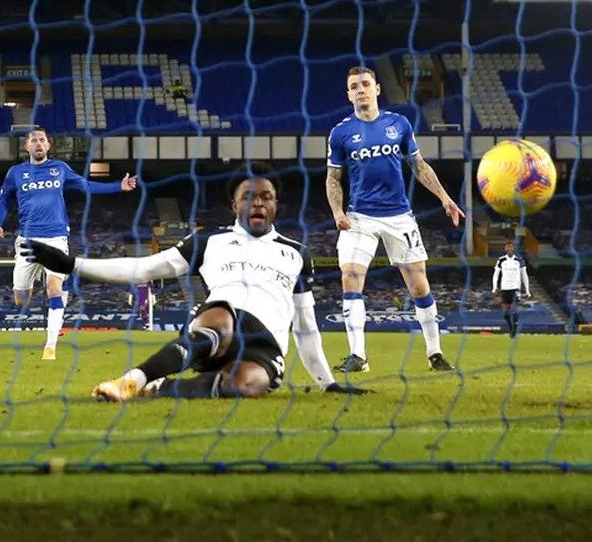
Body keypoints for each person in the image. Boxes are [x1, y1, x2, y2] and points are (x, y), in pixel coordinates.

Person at [19, 164, 370, 401]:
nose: (258, 202)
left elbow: (306, 329)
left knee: (245, 386)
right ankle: (132, 381)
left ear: (276, 205)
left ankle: (162, 387)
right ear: (235, 204)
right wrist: (73, 264)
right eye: (249, 196)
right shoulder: (209, 241)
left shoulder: (297, 254)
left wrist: (329, 384)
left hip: (266, 348)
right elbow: (143, 269)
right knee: (221, 317)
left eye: (266, 196)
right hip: (219, 326)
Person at [325, 66, 464, 373]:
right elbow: (333, 178)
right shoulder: (341, 132)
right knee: (350, 277)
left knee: (418, 287)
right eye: (353, 86)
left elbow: (419, 166)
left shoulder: (398, 124)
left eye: (365, 84)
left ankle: (434, 353)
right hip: (359, 217)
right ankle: (358, 356)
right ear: (348, 94)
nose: (360, 89)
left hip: (399, 217)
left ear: (377, 89)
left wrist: (445, 198)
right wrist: (338, 212)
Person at [0, 127, 137, 360]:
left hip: (56, 237)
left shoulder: (59, 168)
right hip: (27, 241)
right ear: (27, 146)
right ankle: (46, 284)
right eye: (34, 141)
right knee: (21, 301)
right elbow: (3, 200)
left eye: (42, 140)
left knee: (53, 288)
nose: (38, 143)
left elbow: (85, 185)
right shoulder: (15, 173)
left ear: (49, 145)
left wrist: (117, 186)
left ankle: (50, 347)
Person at [492, 242, 530, 337]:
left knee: (515, 309)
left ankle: (514, 329)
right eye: (508, 247)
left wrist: (527, 290)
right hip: (505, 287)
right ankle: (510, 327)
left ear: (514, 249)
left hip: (515, 288)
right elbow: (496, 274)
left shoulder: (519, 260)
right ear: (505, 249)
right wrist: (494, 287)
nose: (509, 249)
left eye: (511, 247)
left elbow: (524, 275)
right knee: (505, 313)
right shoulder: (501, 260)